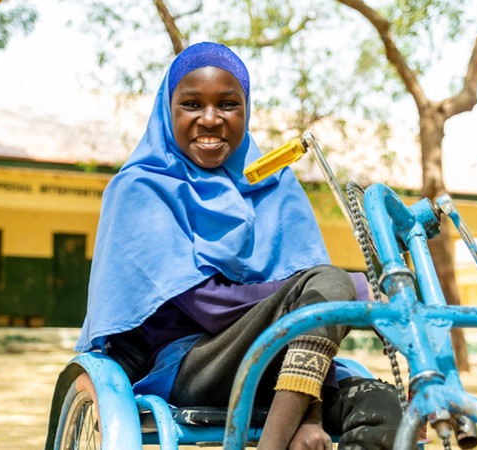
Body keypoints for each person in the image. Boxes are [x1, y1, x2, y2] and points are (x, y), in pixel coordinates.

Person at [75, 41, 402, 449]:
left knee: (388, 411)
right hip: (193, 366)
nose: (210, 119)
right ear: (168, 109)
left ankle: (290, 423)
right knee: (331, 285)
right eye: (192, 104)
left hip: (283, 369)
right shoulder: (140, 189)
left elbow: (315, 317)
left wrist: (311, 417)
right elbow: (211, 307)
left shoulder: (273, 184)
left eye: (228, 104)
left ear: (246, 112)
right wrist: (351, 289)